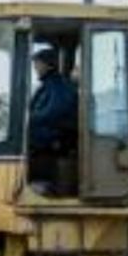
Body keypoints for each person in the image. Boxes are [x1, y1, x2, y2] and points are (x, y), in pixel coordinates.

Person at [27, 46, 78, 195]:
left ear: (47, 64)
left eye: (37, 64)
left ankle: (39, 184)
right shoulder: (47, 85)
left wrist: (29, 120)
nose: (35, 67)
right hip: (49, 132)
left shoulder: (59, 86)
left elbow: (54, 112)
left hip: (55, 136)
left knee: (24, 140)